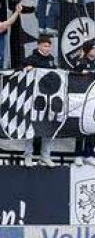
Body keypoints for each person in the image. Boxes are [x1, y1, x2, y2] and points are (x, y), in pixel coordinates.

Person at [22, 34, 57, 167]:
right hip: (33, 100)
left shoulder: (51, 60)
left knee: (48, 127)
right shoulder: (31, 59)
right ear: (39, 46)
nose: (47, 49)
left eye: (49, 46)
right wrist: (26, 69)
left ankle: (45, 156)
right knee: (31, 127)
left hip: (48, 99)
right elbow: (20, 72)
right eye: (45, 46)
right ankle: (28, 155)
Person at [71, 40, 95, 166]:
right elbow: (74, 75)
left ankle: (89, 153)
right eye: (94, 48)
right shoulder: (81, 62)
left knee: (92, 127)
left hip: (94, 100)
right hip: (82, 100)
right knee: (80, 128)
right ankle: (78, 154)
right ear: (88, 50)